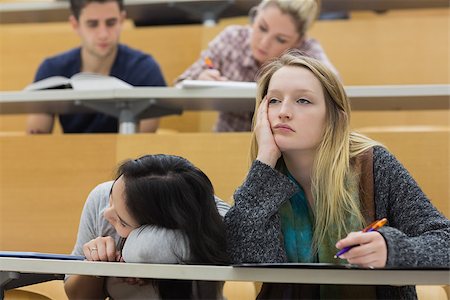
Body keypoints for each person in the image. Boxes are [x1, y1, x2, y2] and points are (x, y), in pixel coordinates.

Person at [224, 51, 450, 299]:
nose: (283, 112)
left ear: (335, 118)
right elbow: (242, 253)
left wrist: (392, 249)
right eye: (274, 101)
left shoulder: (373, 165)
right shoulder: (266, 177)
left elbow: (444, 241)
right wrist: (265, 157)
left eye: (303, 101)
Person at [64, 154, 229, 299]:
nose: (106, 214)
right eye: (111, 197)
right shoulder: (101, 197)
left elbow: (146, 249)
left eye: (122, 222)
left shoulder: (209, 220)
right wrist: (96, 266)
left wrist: (143, 259)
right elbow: (78, 296)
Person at [176, 0, 337, 132]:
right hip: (227, 139)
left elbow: (335, 92)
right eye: (262, 28)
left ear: (299, 41)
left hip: (286, 149)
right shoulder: (232, 38)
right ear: (254, 16)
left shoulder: (307, 52)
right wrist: (201, 77)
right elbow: (180, 83)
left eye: (280, 39)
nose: (264, 42)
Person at [27, 0, 166, 134]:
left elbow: (141, 142)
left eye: (111, 23)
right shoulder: (52, 69)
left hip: (125, 156)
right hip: (70, 155)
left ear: (122, 19)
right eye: (92, 24)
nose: (103, 34)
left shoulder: (144, 68)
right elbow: (36, 139)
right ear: (75, 24)